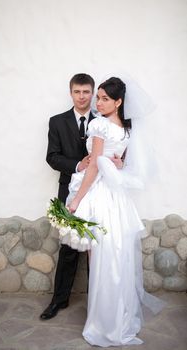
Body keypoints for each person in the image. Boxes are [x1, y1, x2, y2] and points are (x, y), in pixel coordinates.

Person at [65, 77, 165, 346]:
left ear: (119, 101)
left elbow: (95, 167)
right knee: (115, 257)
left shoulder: (99, 125)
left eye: (104, 99)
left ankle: (102, 322)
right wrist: (119, 164)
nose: (98, 102)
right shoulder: (125, 129)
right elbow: (119, 162)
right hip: (117, 199)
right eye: (98, 97)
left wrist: (76, 200)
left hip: (99, 195)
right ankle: (115, 317)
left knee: (100, 259)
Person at [40, 73, 124, 320]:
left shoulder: (104, 119)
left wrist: (117, 163)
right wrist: (78, 164)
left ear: (92, 93)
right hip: (70, 188)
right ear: (71, 93)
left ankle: (95, 305)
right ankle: (58, 301)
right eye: (77, 92)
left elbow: (112, 154)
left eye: (87, 92)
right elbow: (52, 157)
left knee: (96, 247)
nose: (83, 96)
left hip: (99, 192)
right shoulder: (57, 122)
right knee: (68, 247)